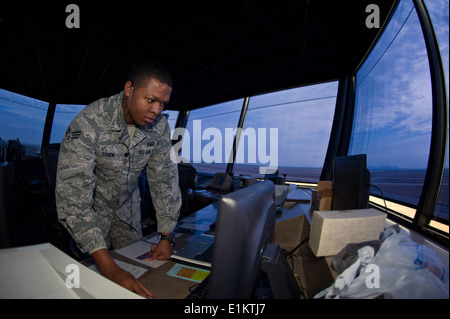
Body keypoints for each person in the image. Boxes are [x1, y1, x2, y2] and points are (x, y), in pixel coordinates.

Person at [55, 61, 181, 298]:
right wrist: (109, 267)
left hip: (128, 213)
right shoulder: (91, 120)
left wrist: (166, 235)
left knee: (140, 278)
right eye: (151, 100)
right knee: (90, 284)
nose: (157, 110)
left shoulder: (160, 126)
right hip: (91, 215)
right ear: (128, 89)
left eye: (163, 103)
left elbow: (164, 179)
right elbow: (73, 195)